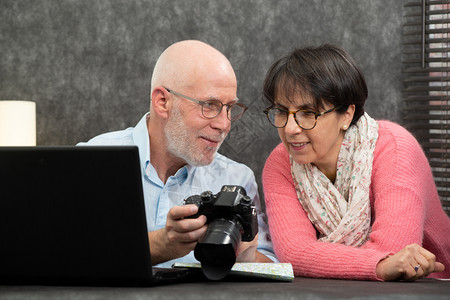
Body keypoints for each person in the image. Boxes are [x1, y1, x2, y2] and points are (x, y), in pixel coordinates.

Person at [78, 40, 276, 267]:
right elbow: (58, 252)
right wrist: (160, 244)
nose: (224, 124)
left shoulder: (237, 180)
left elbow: (272, 268)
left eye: (230, 108)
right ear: (162, 102)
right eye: (210, 105)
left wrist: (245, 255)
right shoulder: (92, 160)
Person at [261, 44, 450, 281]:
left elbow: (394, 253)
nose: (290, 129)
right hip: (339, 291)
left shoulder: (396, 148)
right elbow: (294, 253)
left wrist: (380, 261)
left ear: (347, 115)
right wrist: (378, 266)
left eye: (308, 113)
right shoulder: (280, 163)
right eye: (281, 111)